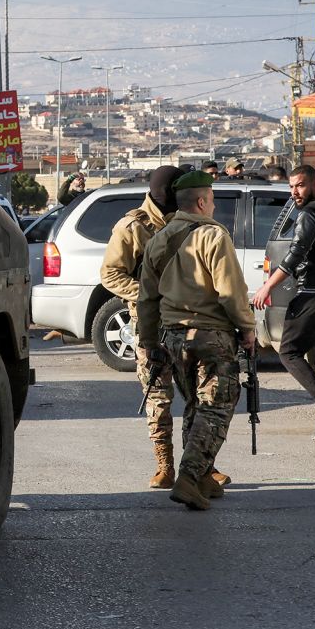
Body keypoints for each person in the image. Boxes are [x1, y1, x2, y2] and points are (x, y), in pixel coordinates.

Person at [137, 170, 255, 510]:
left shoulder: (160, 239)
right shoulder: (213, 236)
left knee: (195, 404)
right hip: (210, 336)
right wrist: (247, 328)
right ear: (202, 202)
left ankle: (202, 477)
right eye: (213, 201)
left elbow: (147, 299)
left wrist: (148, 341)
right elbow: (231, 291)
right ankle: (189, 478)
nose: (214, 207)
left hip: (173, 338)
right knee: (216, 407)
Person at [251, 165, 315, 442]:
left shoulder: (309, 215)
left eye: (299, 185)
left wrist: (266, 287)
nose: (294, 192)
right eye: (291, 187)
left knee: (288, 351)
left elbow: (295, 256)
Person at [99, 165, 186, 489]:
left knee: (199, 398)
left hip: (190, 321)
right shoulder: (133, 227)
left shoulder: (187, 221)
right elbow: (110, 274)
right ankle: (165, 465)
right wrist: (149, 293)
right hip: (151, 324)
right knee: (159, 398)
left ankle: (200, 466)